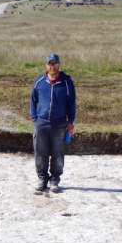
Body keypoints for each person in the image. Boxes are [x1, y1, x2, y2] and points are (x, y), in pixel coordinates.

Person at [30, 53, 76, 193]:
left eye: (55, 64)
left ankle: (55, 180)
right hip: (41, 122)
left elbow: (71, 103)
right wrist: (35, 119)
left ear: (59, 65)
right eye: (50, 64)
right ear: (46, 65)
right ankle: (42, 179)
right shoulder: (39, 81)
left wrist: (70, 122)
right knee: (40, 152)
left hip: (59, 123)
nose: (52, 66)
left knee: (57, 152)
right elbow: (33, 100)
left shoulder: (67, 82)